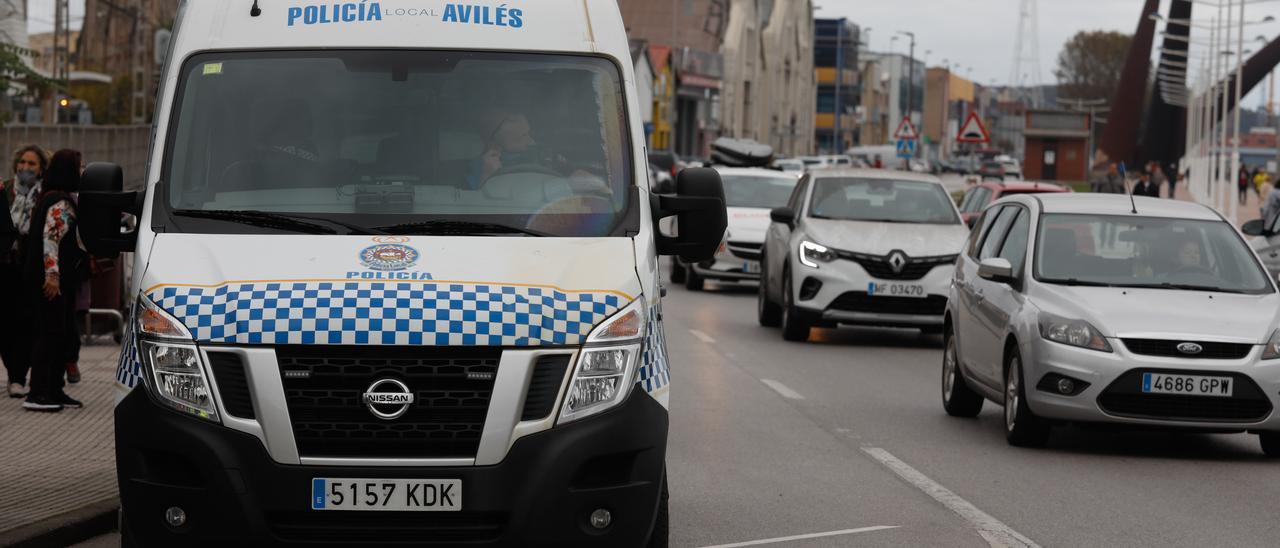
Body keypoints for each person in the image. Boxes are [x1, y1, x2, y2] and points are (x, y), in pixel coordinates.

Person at [22, 149, 88, 412]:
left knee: (59, 334)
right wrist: (52, 277)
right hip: (52, 284)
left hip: (56, 281)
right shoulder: (60, 203)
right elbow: (51, 241)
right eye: (79, 166)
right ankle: (38, 392)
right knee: (50, 335)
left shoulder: (50, 198)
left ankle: (54, 389)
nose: (82, 172)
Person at [2, 145, 47, 398]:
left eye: (32, 164)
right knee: (7, 323)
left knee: (28, 322)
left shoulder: (45, 195)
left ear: (41, 169)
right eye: (23, 163)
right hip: (6, 267)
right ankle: (13, 372)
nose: (26, 168)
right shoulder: (6, 190)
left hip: (31, 268)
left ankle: (19, 375)